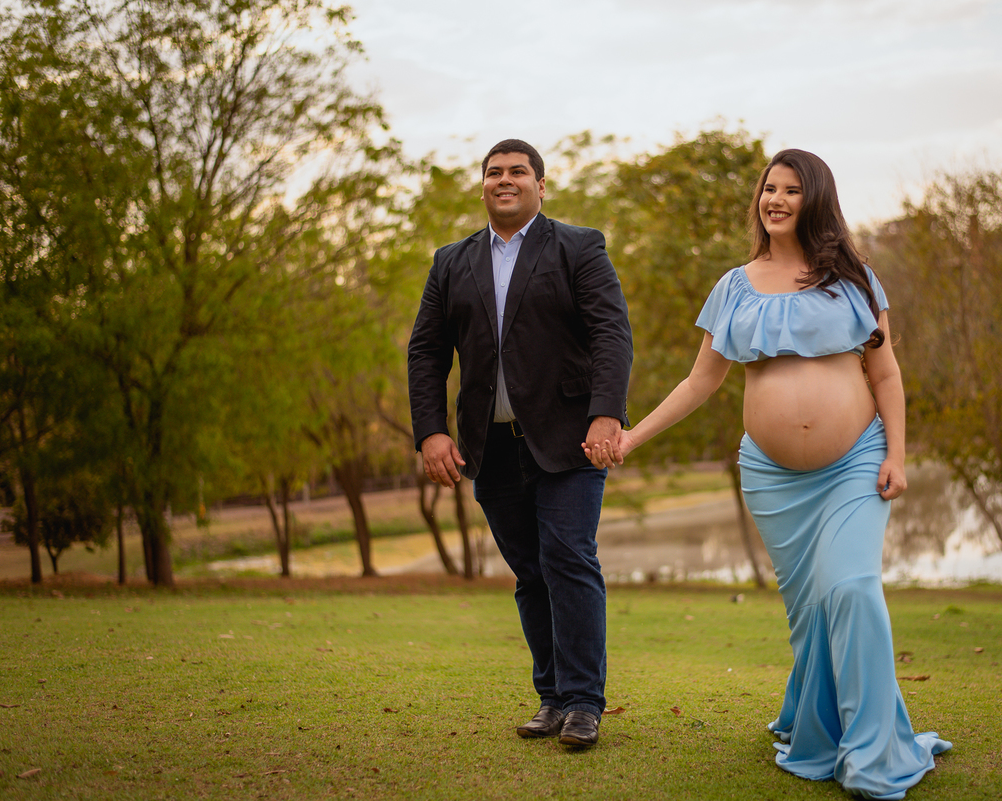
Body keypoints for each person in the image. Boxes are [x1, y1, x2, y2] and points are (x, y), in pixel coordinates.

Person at [586, 149, 950, 797]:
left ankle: (873, 755)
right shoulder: (735, 285)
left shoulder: (855, 277)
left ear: (816, 200)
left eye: (791, 189)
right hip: (773, 478)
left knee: (854, 589)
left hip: (856, 463)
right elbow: (701, 381)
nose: (776, 199)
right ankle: (819, 723)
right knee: (812, 613)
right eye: (768, 189)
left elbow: (885, 372)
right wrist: (632, 436)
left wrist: (897, 452)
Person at [407, 139, 633, 749]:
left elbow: (612, 333)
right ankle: (552, 697)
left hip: (570, 441)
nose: (504, 180)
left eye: (517, 172)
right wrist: (431, 431)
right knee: (530, 573)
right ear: (482, 185)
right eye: (493, 173)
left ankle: (585, 702)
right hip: (491, 446)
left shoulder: (578, 247)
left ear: (540, 184)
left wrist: (605, 415)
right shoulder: (450, 262)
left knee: (568, 560)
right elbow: (426, 350)